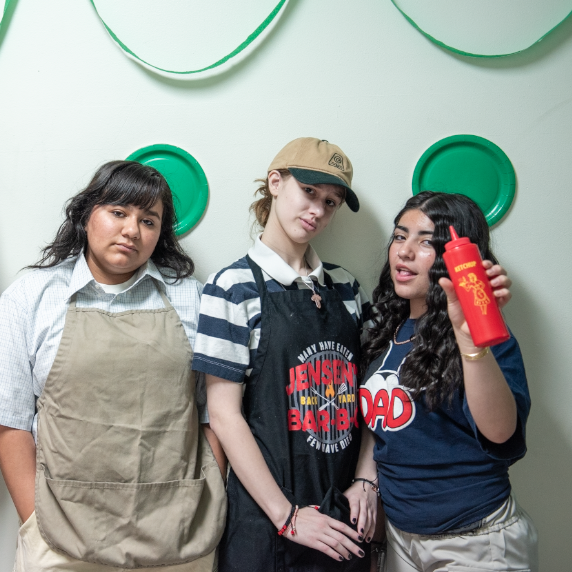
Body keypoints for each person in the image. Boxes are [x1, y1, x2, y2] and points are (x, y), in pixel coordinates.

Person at [0, 160, 227, 571]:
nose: (132, 231)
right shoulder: (32, 295)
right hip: (59, 535)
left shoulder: (193, 299)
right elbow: (7, 419)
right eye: (118, 212)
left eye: (149, 220)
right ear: (87, 216)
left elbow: (214, 414)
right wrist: (35, 521)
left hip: (177, 534)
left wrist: (204, 505)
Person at [194, 137, 377, 571]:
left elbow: (374, 397)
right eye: (309, 192)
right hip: (268, 522)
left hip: (344, 516)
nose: (318, 210)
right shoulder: (232, 287)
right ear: (275, 183)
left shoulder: (347, 289)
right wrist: (287, 516)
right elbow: (224, 415)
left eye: (331, 203)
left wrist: (367, 482)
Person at [358, 191, 537, 570]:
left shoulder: (485, 335)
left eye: (426, 242)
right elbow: (385, 430)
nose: (404, 252)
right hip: (401, 539)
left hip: (475, 542)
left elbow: (502, 434)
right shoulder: (385, 329)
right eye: (400, 235)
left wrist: (470, 339)